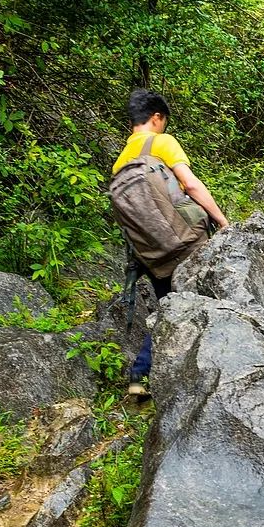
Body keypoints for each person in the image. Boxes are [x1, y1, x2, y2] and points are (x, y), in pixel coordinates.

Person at [112, 88, 229, 396]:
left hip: (150, 253)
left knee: (168, 307)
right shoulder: (162, 142)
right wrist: (221, 220)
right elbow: (189, 184)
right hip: (186, 241)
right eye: (163, 121)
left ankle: (139, 375)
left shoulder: (121, 162)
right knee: (203, 301)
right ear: (156, 117)